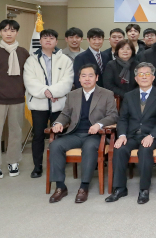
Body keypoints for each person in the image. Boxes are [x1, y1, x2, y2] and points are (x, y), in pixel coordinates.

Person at [48, 64, 118, 203]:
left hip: (95, 135)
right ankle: (60, 187)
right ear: (79, 79)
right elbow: (65, 114)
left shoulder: (106, 94)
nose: (87, 79)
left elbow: (113, 115)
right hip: (74, 133)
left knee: (90, 147)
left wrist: (99, 125)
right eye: (83, 76)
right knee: (55, 145)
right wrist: (58, 123)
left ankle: (83, 187)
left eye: (90, 75)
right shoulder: (72, 95)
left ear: (97, 78)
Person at [106, 62, 156, 204]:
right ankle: (120, 188)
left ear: (153, 77)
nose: (144, 77)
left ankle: (144, 189)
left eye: (147, 74)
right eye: (141, 74)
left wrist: (152, 135)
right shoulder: (129, 96)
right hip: (131, 135)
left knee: (145, 150)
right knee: (119, 149)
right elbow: (123, 119)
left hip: (151, 135)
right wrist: (121, 135)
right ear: (136, 78)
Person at [23, 29, 74, 178]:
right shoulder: (31, 60)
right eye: (45, 38)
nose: (48, 40)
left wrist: (52, 92)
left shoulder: (65, 59)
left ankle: (58, 164)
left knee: (59, 134)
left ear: (56, 42)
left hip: (59, 104)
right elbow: (29, 81)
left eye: (51, 38)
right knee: (38, 135)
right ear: (40, 41)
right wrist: (46, 92)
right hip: (39, 104)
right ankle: (37, 166)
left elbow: (67, 80)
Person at [0, 19, 29, 179]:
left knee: (16, 132)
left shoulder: (23, 52)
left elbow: (26, 77)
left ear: (17, 32)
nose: (9, 33)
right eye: (5, 30)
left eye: (12, 30)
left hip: (17, 99)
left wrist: (18, 92)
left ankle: (13, 161)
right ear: (0, 32)